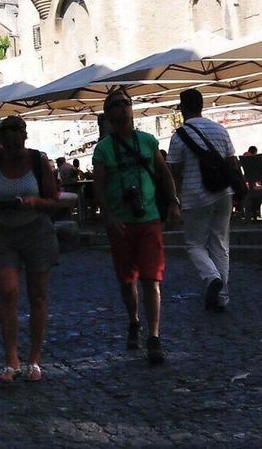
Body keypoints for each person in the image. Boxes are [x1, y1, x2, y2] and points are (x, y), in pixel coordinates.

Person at [92, 90, 181, 365]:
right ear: (108, 114)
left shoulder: (147, 141)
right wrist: (107, 215)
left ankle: (154, 336)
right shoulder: (103, 150)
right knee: (126, 279)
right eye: (116, 105)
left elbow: (164, 174)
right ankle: (134, 321)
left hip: (149, 218)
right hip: (121, 222)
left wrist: (174, 202)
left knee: (151, 278)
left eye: (126, 104)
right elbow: (99, 186)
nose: (122, 109)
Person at [0, 116, 62, 383]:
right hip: (5, 232)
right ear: (0, 141)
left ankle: (34, 360)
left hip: (37, 230)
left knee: (37, 294)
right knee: (8, 291)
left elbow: (54, 201)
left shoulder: (39, 161)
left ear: (25, 137)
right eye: (7, 141)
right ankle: (11, 359)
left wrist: (34, 201)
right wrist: (4, 204)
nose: (13, 147)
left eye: (17, 140)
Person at [166, 88, 242, 313]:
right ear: (202, 105)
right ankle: (222, 298)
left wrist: (173, 199)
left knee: (195, 244)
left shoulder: (179, 135)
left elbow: (174, 171)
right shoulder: (220, 129)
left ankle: (212, 278)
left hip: (195, 196)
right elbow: (233, 163)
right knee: (220, 244)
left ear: (182, 108)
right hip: (224, 193)